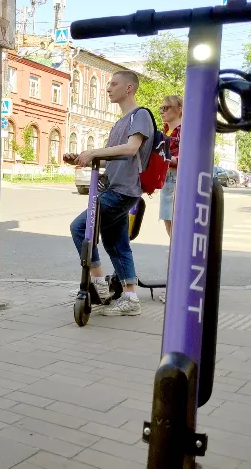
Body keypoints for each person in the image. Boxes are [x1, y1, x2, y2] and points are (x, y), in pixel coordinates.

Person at [64, 70, 154, 317]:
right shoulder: (119, 123)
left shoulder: (140, 115)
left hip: (122, 191)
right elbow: (114, 160)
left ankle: (99, 283)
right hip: (116, 187)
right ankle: (130, 297)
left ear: (129, 88)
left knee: (79, 227)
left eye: (114, 84)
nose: (108, 88)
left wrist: (94, 152)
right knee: (117, 243)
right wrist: (84, 158)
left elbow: (131, 149)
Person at [157, 95, 182, 304]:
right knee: (173, 237)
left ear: (179, 108)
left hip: (177, 180)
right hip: (167, 180)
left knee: (178, 239)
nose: (163, 111)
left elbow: (190, 157)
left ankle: (176, 287)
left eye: (167, 107)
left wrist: (170, 159)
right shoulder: (165, 132)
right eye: (161, 109)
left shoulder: (185, 130)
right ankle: (175, 285)